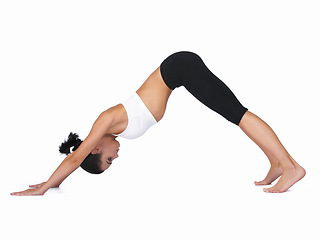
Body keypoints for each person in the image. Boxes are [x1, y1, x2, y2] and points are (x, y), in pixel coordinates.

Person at [11, 51, 305, 196]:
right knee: (234, 113)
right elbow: (77, 159)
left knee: (236, 114)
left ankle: (291, 167)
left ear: (94, 149)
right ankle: (277, 163)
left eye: (109, 159)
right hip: (179, 73)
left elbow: (75, 158)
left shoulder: (104, 121)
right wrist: (55, 184)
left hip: (181, 69)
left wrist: (44, 186)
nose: (116, 156)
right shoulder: (111, 130)